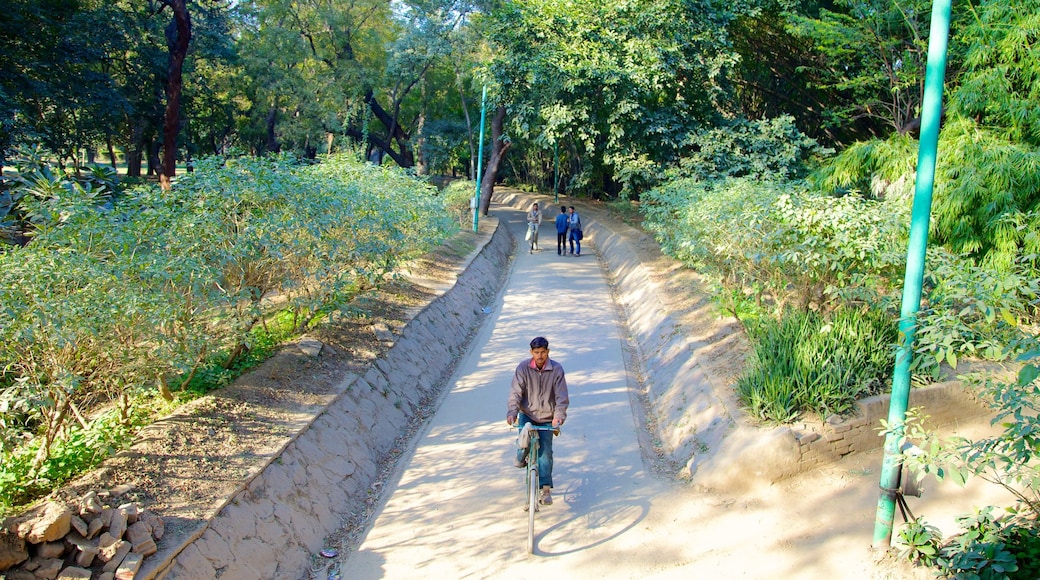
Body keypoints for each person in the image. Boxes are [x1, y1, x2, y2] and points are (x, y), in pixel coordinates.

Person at [506, 336, 569, 506]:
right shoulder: (523, 368)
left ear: (548, 352)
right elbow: (515, 393)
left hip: (548, 418)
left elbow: (561, 397)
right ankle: (521, 454)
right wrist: (512, 412)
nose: (540, 356)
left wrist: (558, 417)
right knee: (523, 440)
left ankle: (545, 489)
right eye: (536, 352)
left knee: (545, 454)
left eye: (542, 352)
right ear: (531, 352)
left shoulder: (556, 369)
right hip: (527, 414)